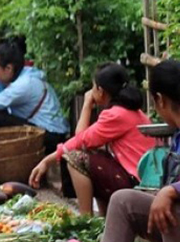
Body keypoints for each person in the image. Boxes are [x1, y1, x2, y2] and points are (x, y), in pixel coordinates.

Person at [95, 60, 180, 242]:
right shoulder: (176, 136)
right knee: (123, 200)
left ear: (160, 99)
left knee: (171, 207)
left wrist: (171, 191)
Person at [30, 63, 154, 215]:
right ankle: (104, 218)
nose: (91, 91)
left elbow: (79, 140)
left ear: (100, 91)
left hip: (135, 182)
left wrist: (87, 104)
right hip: (139, 178)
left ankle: (86, 218)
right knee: (95, 155)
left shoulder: (116, 115)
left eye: (93, 87)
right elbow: (85, 140)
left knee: (75, 158)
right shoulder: (134, 112)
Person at [0, 41, 70, 155]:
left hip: (52, 135)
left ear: (9, 68)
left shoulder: (23, 85)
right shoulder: (25, 75)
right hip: (50, 131)